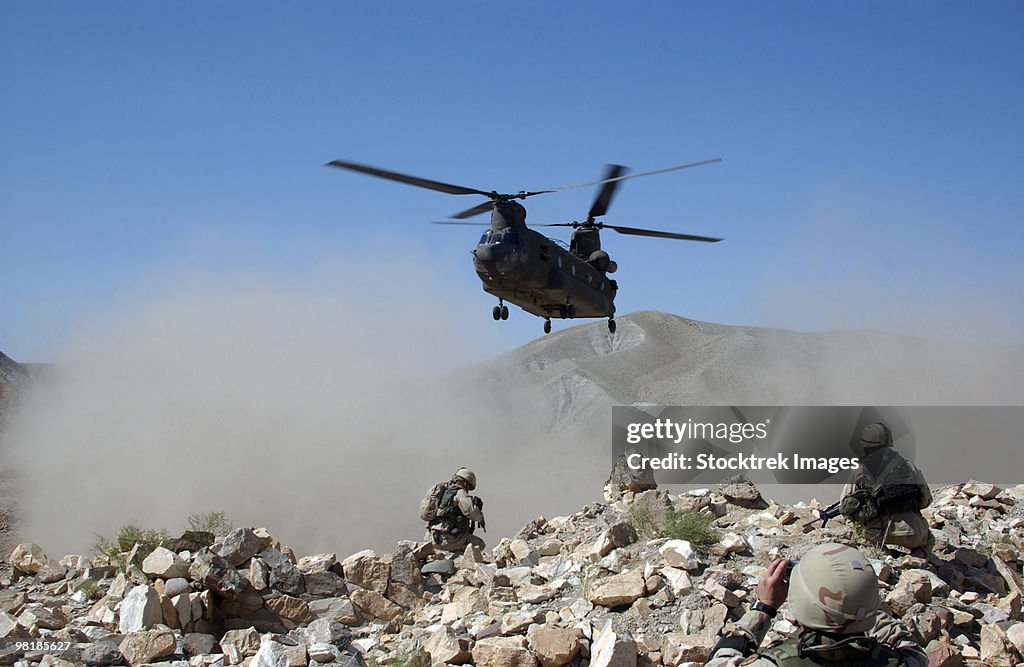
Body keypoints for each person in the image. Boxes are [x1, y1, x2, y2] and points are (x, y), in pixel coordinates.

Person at [705, 543, 927, 666]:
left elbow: (718, 662)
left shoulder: (778, 664)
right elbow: (911, 648)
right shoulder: (900, 662)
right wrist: (859, 603)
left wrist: (763, 608)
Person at [840, 422, 933, 556]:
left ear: (864, 445)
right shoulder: (909, 467)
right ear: (889, 442)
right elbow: (925, 501)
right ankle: (917, 557)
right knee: (929, 538)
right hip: (913, 533)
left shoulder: (859, 471)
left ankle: (882, 556)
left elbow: (845, 507)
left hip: (878, 533)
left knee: (860, 536)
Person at [425, 467, 486, 553]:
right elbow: (472, 513)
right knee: (479, 544)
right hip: (446, 539)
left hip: (431, 537)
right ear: (465, 483)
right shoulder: (460, 493)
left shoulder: (444, 491)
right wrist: (480, 516)